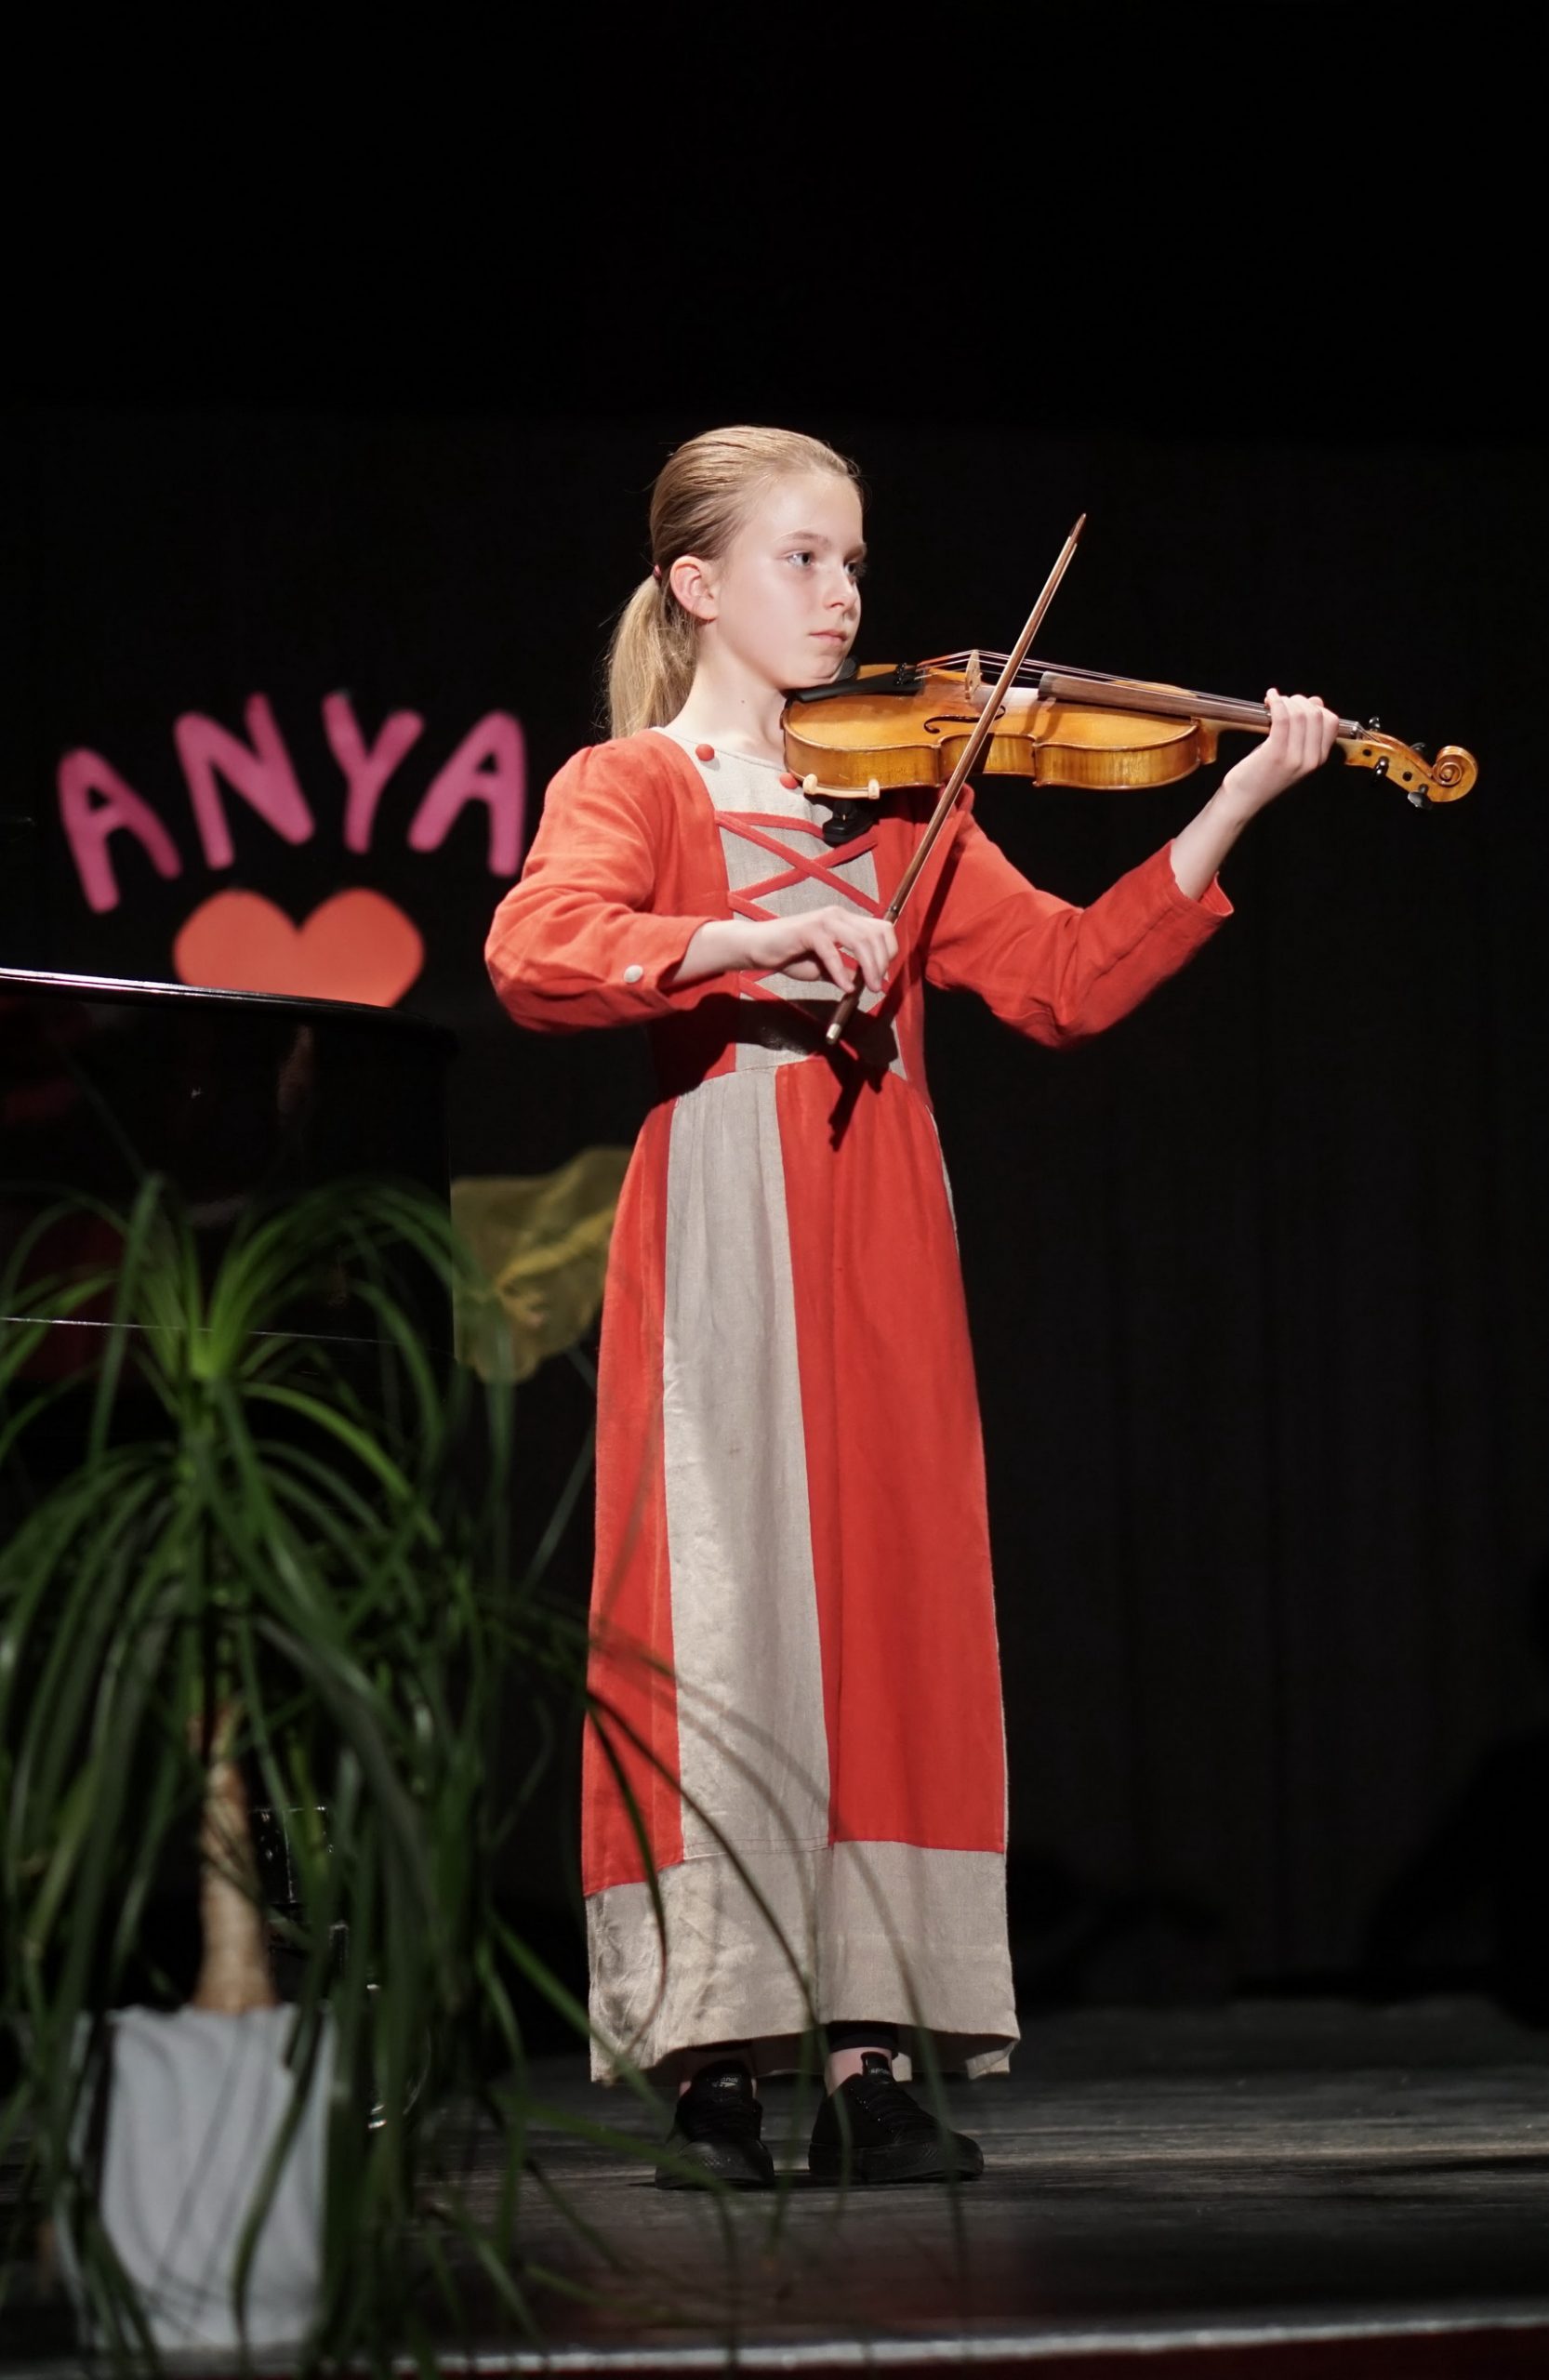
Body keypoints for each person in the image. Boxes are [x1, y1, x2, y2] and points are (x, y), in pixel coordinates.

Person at [484, 425, 1338, 2188]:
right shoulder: (636, 782)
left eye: (855, 563)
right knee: (716, 1611)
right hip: (724, 1211)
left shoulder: (895, 810)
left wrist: (1240, 795)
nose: (844, 596)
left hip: (882, 1216)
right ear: (695, 585)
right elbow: (536, 948)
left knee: (889, 1601)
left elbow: (1068, 982)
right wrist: (737, 943)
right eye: (802, 559)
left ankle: (873, 2057)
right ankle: (714, 2059)